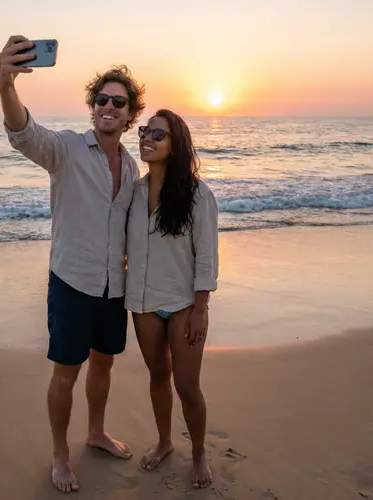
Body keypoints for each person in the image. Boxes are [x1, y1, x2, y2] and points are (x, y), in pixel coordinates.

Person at [0, 35, 145, 493]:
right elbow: (23, 130)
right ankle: (60, 455)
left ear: (129, 114)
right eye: (102, 98)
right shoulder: (64, 150)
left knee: (104, 364)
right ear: (92, 106)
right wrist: (5, 82)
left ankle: (96, 432)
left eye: (119, 103)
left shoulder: (132, 167)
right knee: (66, 371)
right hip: (71, 280)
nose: (109, 107)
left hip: (112, 287)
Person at [125, 109, 219, 489]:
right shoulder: (132, 192)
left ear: (176, 144)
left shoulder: (198, 195)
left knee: (187, 386)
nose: (147, 137)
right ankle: (165, 442)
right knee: (158, 376)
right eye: (145, 131)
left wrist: (201, 308)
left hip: (183, 303)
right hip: (143, 301)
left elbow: (207, 256)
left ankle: (198, 452)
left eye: (158, 134)